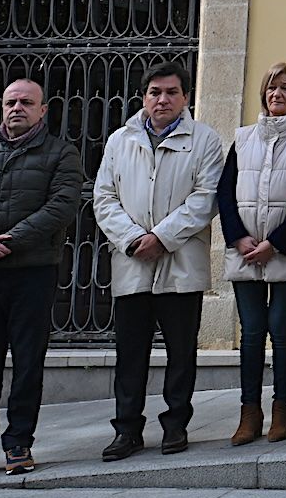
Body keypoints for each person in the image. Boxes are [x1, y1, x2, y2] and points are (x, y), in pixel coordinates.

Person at [0, 78, 84, 481]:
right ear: (1, 107)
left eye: (27, 102)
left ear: (44, 110)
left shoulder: (62, 154)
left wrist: (10, 241)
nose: (17, 108)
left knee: (27, 364)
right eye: (11, 102)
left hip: (33, 274)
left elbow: (61, 206)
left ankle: (18, 443)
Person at [92, 63, 224, 461]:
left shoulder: (204, 140)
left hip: (180, 263)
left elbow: (205, 199)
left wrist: (162, 237)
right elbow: (103, 198)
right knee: (130, 354)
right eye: (154, 92)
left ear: (186, 97)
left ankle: (176, 425)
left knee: (181, 353)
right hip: (132, 263)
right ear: (143, 97)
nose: (162, 99)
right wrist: (134, 239)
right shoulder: (120, 140)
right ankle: (127, 430)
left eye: (170, 92)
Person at [217, 62, 286, 446]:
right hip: (245, 253)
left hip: (284, 252)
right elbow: (225, 193)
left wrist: (274, 243)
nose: (277, 94)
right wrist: (239, 239)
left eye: (285, 88)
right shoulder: (243, 138)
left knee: (281, 328)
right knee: (252, 333)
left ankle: (282, 410)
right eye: (271, 88)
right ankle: (249, 412)